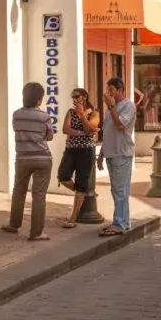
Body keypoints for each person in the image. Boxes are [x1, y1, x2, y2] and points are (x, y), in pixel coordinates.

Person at [2, 82, 53, 241]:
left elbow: (17, 130)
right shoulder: (45, 117)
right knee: (39, 196)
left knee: (19, 191)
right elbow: (49, 136)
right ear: (39, 99)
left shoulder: (16, 114)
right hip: (43, 158)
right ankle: (37, 232)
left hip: (23, 158)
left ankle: (14, 225)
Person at [97, 77, 136, 237]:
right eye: (108, 90)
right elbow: (107, 132)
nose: (109, 93)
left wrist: (112, 106)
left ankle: (119, 223)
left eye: (111, 90)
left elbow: (121, 126)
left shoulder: (128, 105)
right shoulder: (109, 110)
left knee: (120, 190)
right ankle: (122, 221)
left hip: (122, 153)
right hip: (111, 153)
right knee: (116, 190)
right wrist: (101, 154)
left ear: (120, 90)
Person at [58, 88, 100, 229]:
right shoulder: (70, 112)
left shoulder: (94, 113)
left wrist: (82, 114)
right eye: (73, 97)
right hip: (71, 149)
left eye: (78, 96)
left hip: (86, 151)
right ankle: (81, 192)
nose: (75, 99)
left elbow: (91, 128)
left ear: (85, 97)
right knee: (63, 176)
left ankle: (73, 218)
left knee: (82, 182)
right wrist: (82, 132)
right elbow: (65, 129)